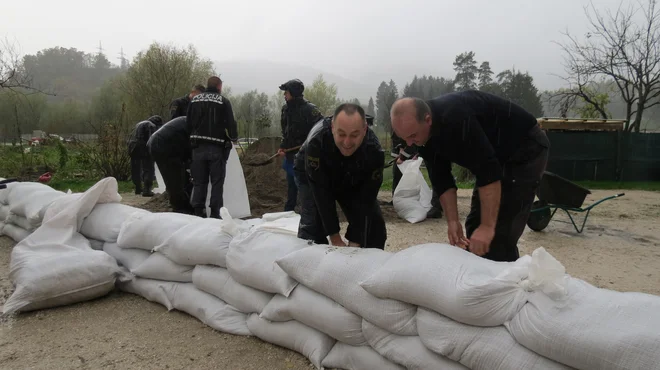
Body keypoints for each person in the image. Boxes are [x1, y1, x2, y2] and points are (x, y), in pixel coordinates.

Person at [390, 91, 550, 262]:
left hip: (524, 148)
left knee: (499, 232)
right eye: (404, 138)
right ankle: (479, 276)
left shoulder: (456, 119)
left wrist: (488, 226)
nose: (409, 144)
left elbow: (488, 172)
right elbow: (441, 179)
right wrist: (452, 221)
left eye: (412, 136)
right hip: (494, 155)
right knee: (475, 228)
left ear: (428, 119)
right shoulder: (421, 135)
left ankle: (505, 281)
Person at [294, 103, 386, 249]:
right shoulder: (316, 142)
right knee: (312, 225)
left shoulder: (374, 151)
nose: (347, 142)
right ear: (332, 128)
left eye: (354, 135)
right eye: (341, 134)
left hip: (350, 176)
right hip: (312, 175)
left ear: (365, 129)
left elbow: (366, 199)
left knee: (373, 226)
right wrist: (335, 237)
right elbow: (321, 194)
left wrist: (356, 237)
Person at [186, 76, 238, 218]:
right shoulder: (223, 101)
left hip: (197, 148)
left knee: (199, 181)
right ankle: (215, 213)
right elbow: (231, 123)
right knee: (216, 182)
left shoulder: (195, 100)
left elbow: (188, 122)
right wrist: (234, 138)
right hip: (216, 148)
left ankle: (198, 211)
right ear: (219, 87)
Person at [277, 79, 324, 212]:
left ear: (293, 92)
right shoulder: (285, 109)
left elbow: (321, 130)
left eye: (286, 92)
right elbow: (285, 131)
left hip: (306, 156)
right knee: (291, 184)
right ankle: (289, 211)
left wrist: (310, 144)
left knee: (304, 186)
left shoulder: (310, 110)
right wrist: (283, 145)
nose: (284, 95)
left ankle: (308, 211)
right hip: (290, 155)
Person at [147, 116, 194, 214]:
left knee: (179, 178)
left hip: (158, 143)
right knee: (174, 180)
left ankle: (182, 204)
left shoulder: (188, 120)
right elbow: (192, 149)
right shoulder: (194, 124)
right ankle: (180, 209)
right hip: (163, 145)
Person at [390, 131, 443, 218]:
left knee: (437, 175)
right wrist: (398, 153)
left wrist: (406, 156)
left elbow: (414, 141)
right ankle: (397, 198)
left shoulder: (411, 125)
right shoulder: (398, 127)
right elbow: (397, 140)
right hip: (422, 148)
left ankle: (437, 207)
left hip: (434, 149)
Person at [127, 115, 164, 197]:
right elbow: (152, 139)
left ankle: (138, 188)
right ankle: (147, 190)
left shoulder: (138, 124)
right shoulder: (151, 125)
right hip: (143, 147)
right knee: (148, 168)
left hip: (132, 147)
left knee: (135, 169)